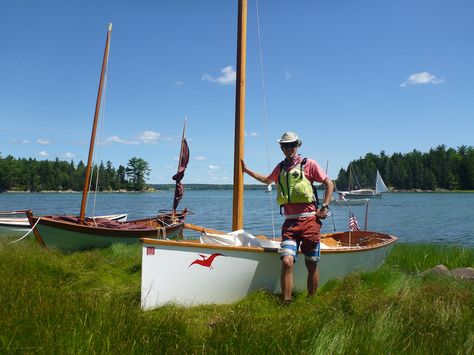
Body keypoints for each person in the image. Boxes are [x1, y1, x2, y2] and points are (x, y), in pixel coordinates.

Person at [242, 132, 334, 302]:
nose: (290, 148)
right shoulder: (280, 168)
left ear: (297, 146)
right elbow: (267, 180)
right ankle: (286, 301)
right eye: (286, 145)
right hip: (290, 223)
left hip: (310, 221)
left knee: (311, 262)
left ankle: (312, 301)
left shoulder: (309, 164)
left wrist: (325, 206)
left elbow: (329, 183)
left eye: (293, 145)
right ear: (282, 148)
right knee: (287, 260)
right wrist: (246, 170)